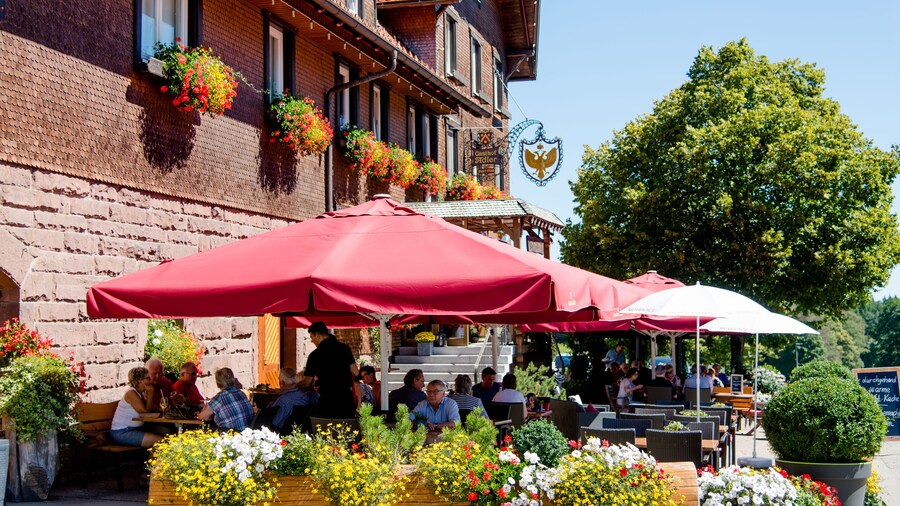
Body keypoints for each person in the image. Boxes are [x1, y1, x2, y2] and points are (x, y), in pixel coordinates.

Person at [303, 322, 358, 418]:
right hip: (345, 399)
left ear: (318, 336)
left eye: (312, 337)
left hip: (328, 400)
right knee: (346, 426)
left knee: (327, 426)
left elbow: (307, 382)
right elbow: (355, 372)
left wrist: (294, 386)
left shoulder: (315, 355)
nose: (312, 341)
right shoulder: (344, 348)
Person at [109, 367, 163, 448]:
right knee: (159, 441)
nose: (150, 380)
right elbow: (145, 413)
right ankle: (152, 457)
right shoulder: (131, 393)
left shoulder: (141, 393)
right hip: (122, 432)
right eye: (148, 378)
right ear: (140, 381)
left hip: (137, 428)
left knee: (167, 432)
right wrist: (150, 393)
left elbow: (154, 408)